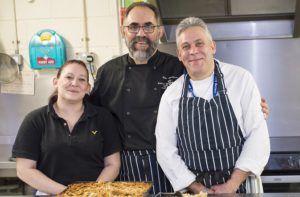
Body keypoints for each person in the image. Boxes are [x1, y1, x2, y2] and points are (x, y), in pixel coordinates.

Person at [90, 2, 270, 194]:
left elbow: (248, 124)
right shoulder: (107, 73)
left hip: (173, 172)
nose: (141, 33)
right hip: (128, 166)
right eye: (133, 26)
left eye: (149, 26)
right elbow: (91, 116)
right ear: (123, 31)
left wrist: (256, 110)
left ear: (159, 31)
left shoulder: (179, 67)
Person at [155, 17, 270, 194]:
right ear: (179, 54)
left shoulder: (240, 79)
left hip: (240, 187)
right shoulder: (171, 95)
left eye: (199, 43)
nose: (193, 51)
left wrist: (232, 184)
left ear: (212, 47)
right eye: (186, 47)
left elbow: (257, 135)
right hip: (193, 190)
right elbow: (165, 149)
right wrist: (196, 187)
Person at [12, 60, 121, 195]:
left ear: (88, 88)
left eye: (82, 80)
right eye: (69, 77)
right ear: (56, 82)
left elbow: (113, 165)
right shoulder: (35, 119)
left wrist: (93, 192)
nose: (74, 83)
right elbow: (24, 169)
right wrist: (68, 193)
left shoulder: (103, 118)